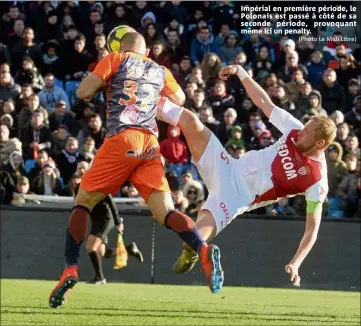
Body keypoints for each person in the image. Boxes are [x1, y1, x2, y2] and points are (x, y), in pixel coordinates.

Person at [49, 32, 223, 309]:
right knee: (165, 212)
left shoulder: (115, 58)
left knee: (82, 203)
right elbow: (179, 98)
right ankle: (202, 249)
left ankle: (70, 268)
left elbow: (82, 92)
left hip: (122, 138)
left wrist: (105, 82)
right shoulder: (160, 69)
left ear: (119, 46)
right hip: (150, 146)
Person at [156, 63, 337, 288]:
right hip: (228, 166)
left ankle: (192, 252)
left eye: (307, 132)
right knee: (189, 120)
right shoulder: (294, 129)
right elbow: (263, 102)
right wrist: (241, 72)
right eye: (304, 127)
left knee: (196, 236)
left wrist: (297, 262)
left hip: (237, 196)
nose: (301, 132)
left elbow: (312, 229)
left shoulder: (317, 180)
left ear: (319, 143)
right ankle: (140, 103)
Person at [73, 185, 143, 284]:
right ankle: (129, 249)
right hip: (96, 220)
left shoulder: (100, 186)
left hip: (105, 219)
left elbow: (111, 204)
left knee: (90, 247)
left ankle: (100, 277)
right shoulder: (79, 188)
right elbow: (78, 205)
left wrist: (118, 222)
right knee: (102, 252)